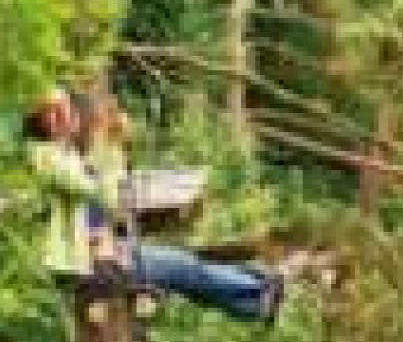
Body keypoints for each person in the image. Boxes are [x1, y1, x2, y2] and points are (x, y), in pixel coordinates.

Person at [24, 87, 285, 323]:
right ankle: (259, 287)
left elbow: (102, 190)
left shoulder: (61, 155)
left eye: (66, 108)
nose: (67, 116)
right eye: (55, 113)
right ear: (40, 121)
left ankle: (255, 303)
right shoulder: (49, 159)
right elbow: (105, 195)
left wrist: (110, 148)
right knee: (183, 268)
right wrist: (112, 147)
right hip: (84, 264)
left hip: (97, 256)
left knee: (184, 273)